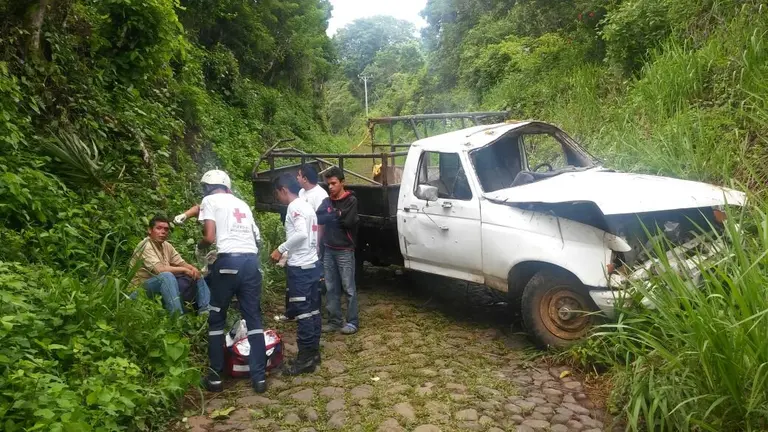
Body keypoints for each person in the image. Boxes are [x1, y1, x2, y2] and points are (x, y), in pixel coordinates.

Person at [196, 170, 268, 394]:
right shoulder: (242, 204)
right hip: (251, 263)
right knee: (254, 319)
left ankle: (216, 377)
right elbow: (257, 237)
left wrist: (200, 247)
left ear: (208, 187)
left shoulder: (209, 200)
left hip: (228, 263)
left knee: (217, 319)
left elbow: (209, 237)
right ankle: (259, 378)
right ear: (227, 186)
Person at [270, 174, 322, 374]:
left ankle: (304, 359)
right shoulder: (307, 206)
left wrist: (280, 249)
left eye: (277, 193)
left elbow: (300, 234)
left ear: (283, 190)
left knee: (303, 313)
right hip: (311, 263)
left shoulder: (294, 207)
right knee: (313, 310)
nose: (278, 198)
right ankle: (314, 353)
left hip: (300, 268)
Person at [129, 215, 211, 315]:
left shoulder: (166, 245)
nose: (163, 232)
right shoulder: (145, 245)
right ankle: (177, 317)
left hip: (159, 289)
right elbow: (160, 270)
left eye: (166, 229)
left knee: (196, 273)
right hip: (140, 290)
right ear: (150, 230)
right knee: (166, 276)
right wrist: (184, 270)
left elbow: (182, 263)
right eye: (159, 228)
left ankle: (205, 312)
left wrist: (193, 269)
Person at [316, 167, 360, 335]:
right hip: (329, 249)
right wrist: (336, 215)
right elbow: (319, 217)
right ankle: (334, 320)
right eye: (329, 184)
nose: (331, 187)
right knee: (331, 286)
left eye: (334, 183)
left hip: (345, 250)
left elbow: (348, 222)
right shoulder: (327, 201)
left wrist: (333, 215)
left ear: (342, 183)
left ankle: (352, 321)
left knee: (348, 287)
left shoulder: (351, 200)